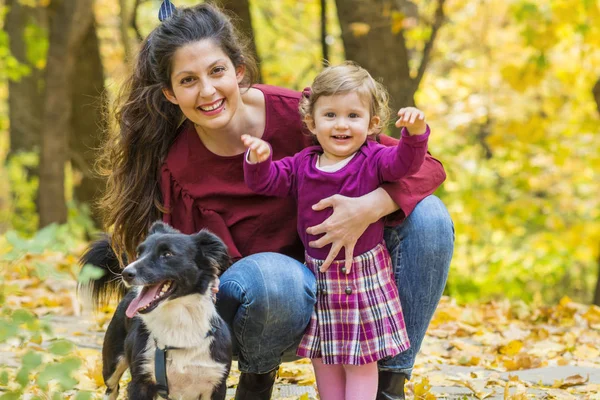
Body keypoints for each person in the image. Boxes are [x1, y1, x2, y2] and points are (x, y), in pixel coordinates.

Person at [98, 2, 454, 399]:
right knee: (277, 276)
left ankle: (388, 384)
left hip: (350, 300)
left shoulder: (307, 117)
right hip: (262, 308)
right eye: (188, 80)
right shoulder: (178, 169)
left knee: (430, 217)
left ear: (239, 71)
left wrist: (371, 206)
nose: (208, 91)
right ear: (170, 93)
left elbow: (425, 168)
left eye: (217, 71)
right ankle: (257, 378)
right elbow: (188, 271)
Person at [241, 62, 430, 400]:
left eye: (353, 116)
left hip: (363, 277)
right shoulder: (302, 164)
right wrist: (257, 160)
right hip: (320, 275)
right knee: (324, 357)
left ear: (372, 123)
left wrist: (414, 136)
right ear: (312, 122)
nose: (341, 125)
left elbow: (405, 164)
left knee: (361, 360)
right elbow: (267, 183)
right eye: (330, 115)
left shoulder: (373, 159)